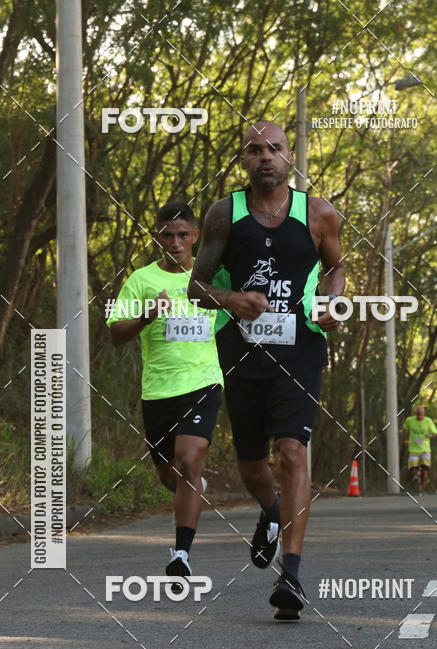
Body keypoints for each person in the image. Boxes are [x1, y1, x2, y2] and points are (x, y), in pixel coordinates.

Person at [189, 120, 344, 622]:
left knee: (293, 452)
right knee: (252, 465)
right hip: (241, 350)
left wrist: (332, 301)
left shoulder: (318, 213)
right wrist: (232, 298)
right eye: (255, 150)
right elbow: (197, 286)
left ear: (290, 155)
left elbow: (336, 268)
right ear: (243, 159)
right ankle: (272, 509)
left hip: (301, 348)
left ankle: (291, 574)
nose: (266, 157)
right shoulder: (223, 214)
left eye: (274, 148)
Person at [107, 201, 223, 582]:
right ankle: (195, 488)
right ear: (158, 238)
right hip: (158, 391)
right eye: (167, 235)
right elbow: (116, 333)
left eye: (183, 235)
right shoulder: (141, 281)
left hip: (203, 383)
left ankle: (182, 554)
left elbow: (242, 314)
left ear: (195, 237)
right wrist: (147, 315)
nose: (175, 242)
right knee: (169, 475)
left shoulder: (213, 278)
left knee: (189, 460)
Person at [402, 406, 437, 494]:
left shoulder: (428, 421)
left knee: (425, 470)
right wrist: (405, 439)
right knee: (413, 469)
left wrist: (430, 435)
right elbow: (404, 429)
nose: (419, 417)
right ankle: (417, 476)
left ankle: (421, 488)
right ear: (415, 414)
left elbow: (434, 433)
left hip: (425, 449)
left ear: (424, 414)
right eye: (418, 415)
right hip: (413, 449)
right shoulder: (409, 420)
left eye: (421, 415)